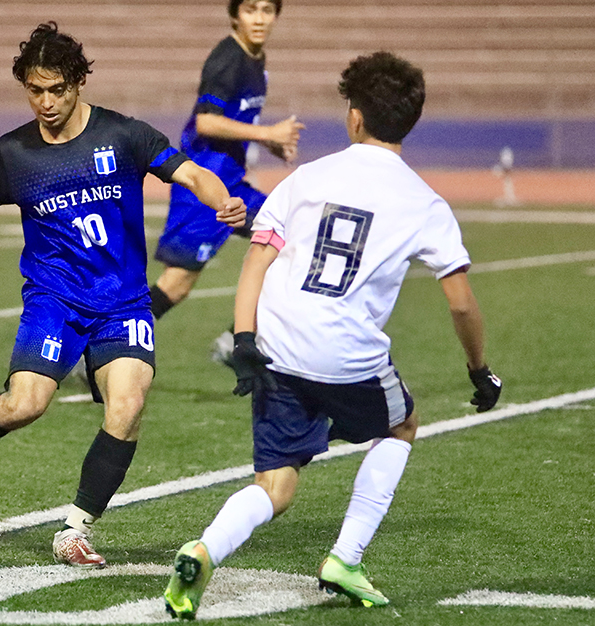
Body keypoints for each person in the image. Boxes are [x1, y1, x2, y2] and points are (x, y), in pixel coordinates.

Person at [0, 22, 246, 569]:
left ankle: (74, 530)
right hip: (55, 300)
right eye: (35, 90)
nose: (46, 102)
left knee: (129, 403)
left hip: (122, 302)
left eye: (57, 90)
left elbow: (190, 173)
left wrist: (223, 201)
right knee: (24, 405)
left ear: (79, 83)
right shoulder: (15, 153)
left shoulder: (123, 136)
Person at [163, 51, 502, 618]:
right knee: (402, 424)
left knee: (275, 484)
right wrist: (478, 369)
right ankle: (345, 557)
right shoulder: (425, 202)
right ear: (410, 121)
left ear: (354, 118)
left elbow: (257, 260)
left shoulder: (308, 177)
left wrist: (244, 341)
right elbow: (461, 303)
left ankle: (203, 550)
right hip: (346, 354)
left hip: (276, 344)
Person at [150, 0, 304, 336]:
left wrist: (269, 143)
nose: (259, 19)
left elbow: (234, 120)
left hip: (233, 185)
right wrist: (267, 133)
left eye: (267, 10)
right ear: (234, 15)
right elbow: (206, 122)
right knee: (176, 284)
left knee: (291, 238)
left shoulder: (256, 58)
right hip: (204, 188)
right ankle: (106, 346)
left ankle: (241, 338)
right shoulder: (227, 59)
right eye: (250, 10)